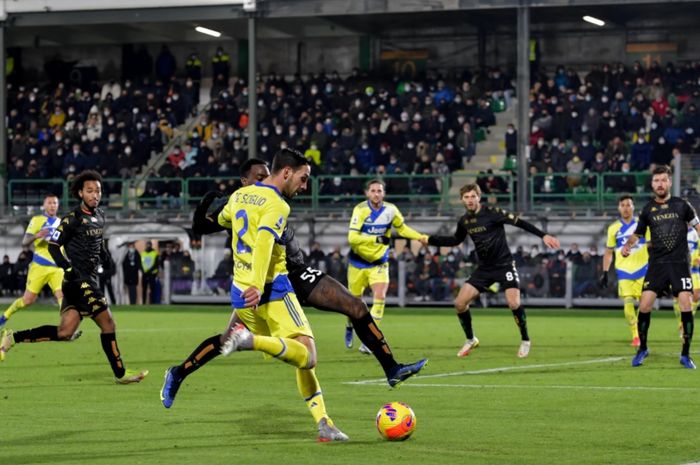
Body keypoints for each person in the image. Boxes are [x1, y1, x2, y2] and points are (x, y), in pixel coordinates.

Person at [161, 158, 427, 410]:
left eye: (268, 174)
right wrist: (207, 203)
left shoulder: (274, 197)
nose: (267, 179)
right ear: (245, 181)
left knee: (355, 306)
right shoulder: (239, 201)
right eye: (260, 176)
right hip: (265, 283)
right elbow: (204, 226)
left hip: (296, 272)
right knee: (226, 340)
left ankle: (391, 369)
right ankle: (179, 373)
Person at [161, 149, 348, 442]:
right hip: (270, 290)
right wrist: (259, 285)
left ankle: (324, 422)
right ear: (286, 172)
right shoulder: (278, 205)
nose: (304, 185)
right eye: (303, 178)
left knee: (246, 343)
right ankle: (249, 342)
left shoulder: (239, 196)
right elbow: (263, 243)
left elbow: (221, 220)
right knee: (307, 355)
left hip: (240, 291)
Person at [0, 170, 148, 383]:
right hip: (79, 280)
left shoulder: (100, 216)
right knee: (108, 324)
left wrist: (106, 258)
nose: (95, 195)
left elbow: (98, 244)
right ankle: (121, 373)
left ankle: (13, 337)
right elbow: (53, 246)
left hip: (87, 280)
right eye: (90, 191)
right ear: (80, 193)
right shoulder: (72, 219)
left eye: (97, 190)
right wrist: (67, 268)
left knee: (64, 332)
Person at [421, 183, 560, 358]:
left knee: (514, 303)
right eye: (466, 197)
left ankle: (525, 340)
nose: (470, 200)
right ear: (462, 200)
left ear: (479, 197)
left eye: (473, 196)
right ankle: (471, 339)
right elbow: (455, 240)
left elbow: (520, 222)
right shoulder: (464, 221)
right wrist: (430, 240)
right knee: (459, 304)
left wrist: (543, 235)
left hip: (504, 265)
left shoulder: (493, 213)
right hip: (484, 268)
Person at [621, 165, 698, 369]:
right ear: (652, 184)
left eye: (663, 180)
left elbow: (698, 227)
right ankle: (642, 348)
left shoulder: (683, 205)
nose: (660, 184)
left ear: (670, 182)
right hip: (657, 264)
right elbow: (637, 234)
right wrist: (627, 246)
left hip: (679, 263)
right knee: (644, 305)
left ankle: (685, 354)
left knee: (685, 305)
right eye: (656, 181)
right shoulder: (647, 209)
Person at [344, 179, 428, 353]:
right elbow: (352, 238)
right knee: (354, 305)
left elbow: (402, 229)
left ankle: (369, 340)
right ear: (367, 193)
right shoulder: (360, 210)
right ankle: (349, 326)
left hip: (379, 263)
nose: (376, 194)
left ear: (384, 193)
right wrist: (376, 238)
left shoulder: (391, 210)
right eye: (373, 191)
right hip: (358, 263)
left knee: (380, 298)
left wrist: (418, 236)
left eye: (379, 191)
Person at [0, 194, 65, 329]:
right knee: (28, 300)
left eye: (55, 203)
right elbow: (25, 242)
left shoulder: (62, 223)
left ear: (58, 205)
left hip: (57, 268)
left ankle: (66, 328)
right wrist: (37, 235)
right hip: (39, 266)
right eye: (50, 203)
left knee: (62, 297)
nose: (52, 205)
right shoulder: (37, 220)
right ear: (44, 205)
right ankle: (5, 316)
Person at [600, 195, 649, 347]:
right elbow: (608, 252)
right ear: (618, 208)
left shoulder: (643, 225)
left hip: (643, 269)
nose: (626, 208)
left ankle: (642, 334)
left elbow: (651, 245)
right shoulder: (613, 228)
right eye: (623, 205)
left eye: (628, 205)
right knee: (628, 305)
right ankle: (635, 336)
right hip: (623, 271)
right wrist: (605, 272)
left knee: (644, 306)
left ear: (633, 207)